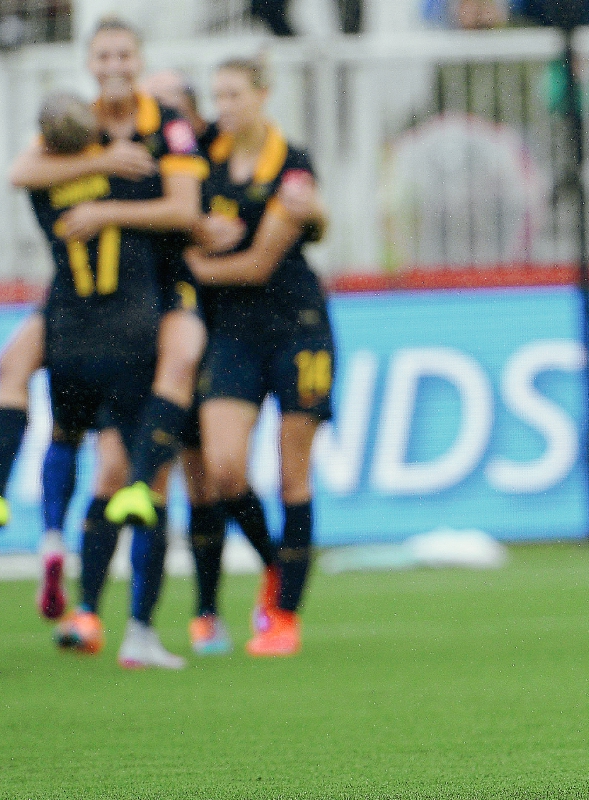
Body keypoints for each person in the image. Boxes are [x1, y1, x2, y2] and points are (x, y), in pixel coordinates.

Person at [8, 17, 208, 668]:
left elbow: (184, 210)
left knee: (172, 381)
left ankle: (131, 620)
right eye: (104, 54)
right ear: (90, 62)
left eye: (125, 52)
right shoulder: (74, 127)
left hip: (165, 291)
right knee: (114, 471)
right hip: (99, 310)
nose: (115, 63)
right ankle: (93, 610)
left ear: (140, 59)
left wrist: (105, 209)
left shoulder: (168, 125)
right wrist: (99, 164)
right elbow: (21, 170)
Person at [181, 58, 332, 658]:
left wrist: (192, 264)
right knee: (223, 471)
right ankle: (277, 565)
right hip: (233, 332)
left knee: (293, 472)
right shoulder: (203, 161)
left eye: (236, 94)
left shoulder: (290, 167)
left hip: (298, 327)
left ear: (264, 95)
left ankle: (285, 616)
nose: (226, 106)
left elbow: (259, 264)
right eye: (218, 95)